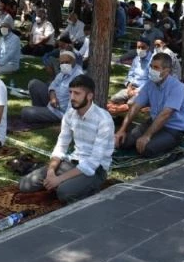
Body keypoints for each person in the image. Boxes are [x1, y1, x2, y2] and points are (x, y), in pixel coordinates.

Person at [19, 74, 114, 203]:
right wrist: (51, 171)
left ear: (90, 96)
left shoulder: (103, 119)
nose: (72, 98)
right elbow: (61, 146)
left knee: (63, 193)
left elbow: (92, 163)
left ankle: (91, 187)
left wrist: (59, 179)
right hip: (73, 162)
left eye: (77, 93)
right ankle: (68, 182)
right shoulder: (70, 115)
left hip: (95, 170)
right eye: (70, 93)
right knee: (25, 185)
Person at [114, 53, 184, 157]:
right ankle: (156, 138)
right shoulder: (150, 84)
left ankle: (174, 142)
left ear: (167, 71)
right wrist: (122, 130)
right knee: (123, 141)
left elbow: (165, 114)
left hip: (173, 128)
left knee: (146, 149)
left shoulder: (178, 87)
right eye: (151, 66)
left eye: (156, 67)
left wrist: (147, 136)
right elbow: (136, 106)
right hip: (153, 122)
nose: (151, 70)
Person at [23, 51, 84, 123]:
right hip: (52, 103)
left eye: (67, 62)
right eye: (62, 63)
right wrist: (53, 97)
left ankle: (41, 114)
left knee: (25, 112)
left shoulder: (78, 77)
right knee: (33, 83)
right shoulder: (63, 73)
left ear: (73, 62)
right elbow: (53, 85)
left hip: (59, 112)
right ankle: (40, 112)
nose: (64, 65)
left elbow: (74, 104)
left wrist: (66, 121)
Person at [108, 38, 152, 107]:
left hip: (143, 91)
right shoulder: (136, 59)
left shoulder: (153, 61)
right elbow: (130, 74)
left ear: (148, 48)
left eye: (143, 47)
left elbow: (150, 81)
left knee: (130, 103)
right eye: (138, 47)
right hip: (131, 88)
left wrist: (137, 90)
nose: (140, 49)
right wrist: (129, 86)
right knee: (113, 99)